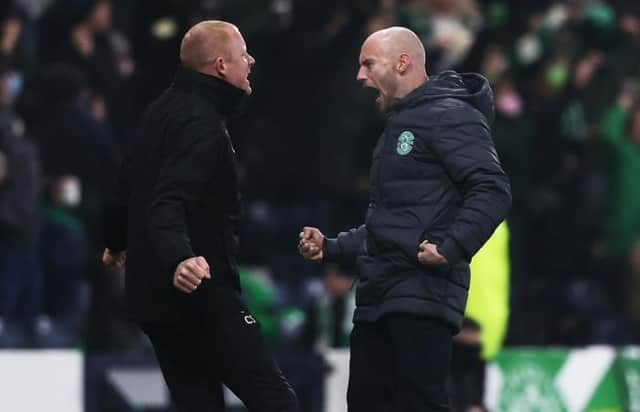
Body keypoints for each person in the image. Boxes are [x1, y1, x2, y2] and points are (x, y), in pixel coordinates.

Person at [299, 27, 511, 411]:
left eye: (368, 63)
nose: (359, 76)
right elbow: (390, 225)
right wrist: (331, 248)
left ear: (402, 62)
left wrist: (451, 246)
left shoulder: (450, 115)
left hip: (420, 293)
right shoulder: (397, 125)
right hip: (378, 294)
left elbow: (493, 189)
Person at [102, 20, 298, 412]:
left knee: (199, 404)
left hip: (150, 297)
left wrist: (116, 241)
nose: (251, 60)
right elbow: (167, 200)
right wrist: (181, 258)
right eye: (244, 55)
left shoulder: (158, 111)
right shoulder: (203, 124)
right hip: (198, 292)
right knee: (275, 400)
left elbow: (126, 182)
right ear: (222, 66)